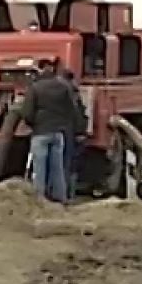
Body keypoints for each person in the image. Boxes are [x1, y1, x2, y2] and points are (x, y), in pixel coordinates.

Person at [20, 58, 78, 203]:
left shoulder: (35, 88)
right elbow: (71, 109)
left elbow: (27, 112)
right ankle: (60, 198)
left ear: (40, 70)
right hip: (58, 133)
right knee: (57, 168)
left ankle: (40, 200)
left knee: (39, 168)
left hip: (40, 132)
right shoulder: (63, 86)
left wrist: (32, 123)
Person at [58, 69, 88, 200]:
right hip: (71, 130)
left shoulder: (58, 90)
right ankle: (69, 194)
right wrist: (81, 131)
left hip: (57, 129)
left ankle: (59, 194)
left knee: (60, 162)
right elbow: (78, 113)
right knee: (70, 164)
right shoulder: (73, 93)